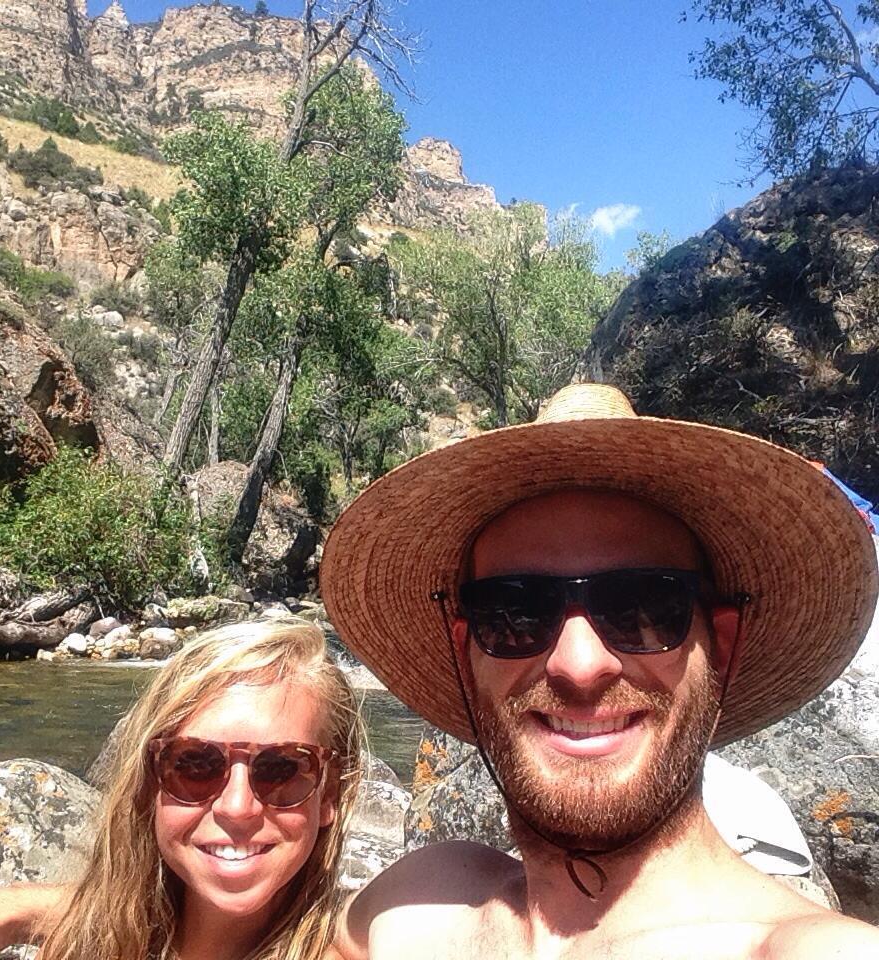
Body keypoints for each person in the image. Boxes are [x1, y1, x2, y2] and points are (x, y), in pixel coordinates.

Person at [320, 382, 879, 959]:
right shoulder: (408, 912)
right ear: (466, 657)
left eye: (644, 606)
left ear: (724, 646)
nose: (579, 665)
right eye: (516, 612)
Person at [0, 618, 363, 960]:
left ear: (331, 795)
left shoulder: (361, 937)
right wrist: (11, 912)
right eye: (195, 764)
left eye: (281, 768)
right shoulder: (103, 935)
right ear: (149, 781)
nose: (236, 806)